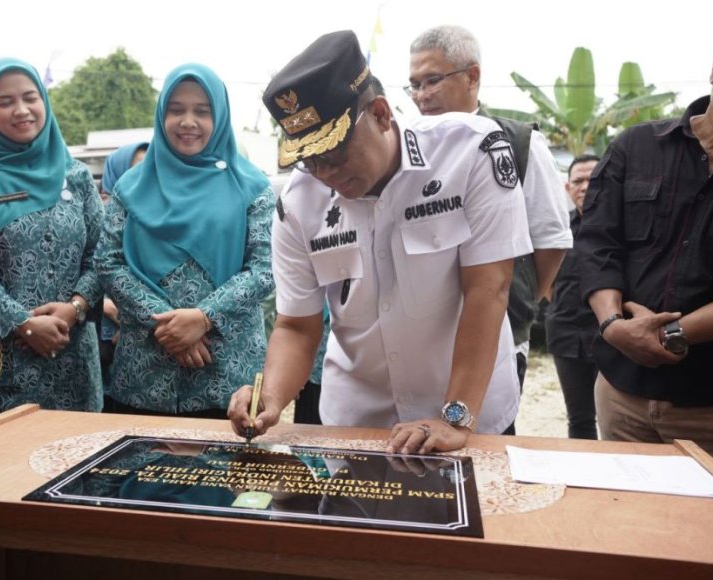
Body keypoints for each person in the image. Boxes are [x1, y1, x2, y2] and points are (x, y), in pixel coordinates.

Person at [228, 30, 532, 454]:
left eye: (334, 154)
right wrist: (272, 397)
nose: (325, 174)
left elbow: (488, 289)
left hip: (469, 417)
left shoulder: (471, 153)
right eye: (309, 160)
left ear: (381, 114)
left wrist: (456, 417)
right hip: (358, 424)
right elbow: (297, 325)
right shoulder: (298, 202)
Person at [96, 63, 274, 418]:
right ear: (162, 114)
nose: (188, 121)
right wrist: (167, 326)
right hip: (145, 377)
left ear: (219, 117)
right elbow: (108, 262)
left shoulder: (252, 187)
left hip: (226, 378)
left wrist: (204, 318)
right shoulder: (130, 187)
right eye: (176, 110)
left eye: (202, 112)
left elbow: (265, 269)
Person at [576, 43, 713, 463]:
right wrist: (612, 324)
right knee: (623, 500)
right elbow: (597, 241)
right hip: (621, 394)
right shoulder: (636, 146)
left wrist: (669, 334)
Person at [408, 25, 572, 398]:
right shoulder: (406, 145)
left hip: (499, 336)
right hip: (420, 337)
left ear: (473, 76)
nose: (421, 96)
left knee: (481, 429)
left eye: (432, 81)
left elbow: (551, 240)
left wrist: (516, 302)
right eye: (414, 85)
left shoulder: (518, 143)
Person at [0, 58, 104, 428]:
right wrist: (21, 322)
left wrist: (75, 308)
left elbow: (102, 255)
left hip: (72, 364)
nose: (21, 110)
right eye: (5, 102)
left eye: (30, 98)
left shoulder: (75, 174)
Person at [545, 155, 600, 439]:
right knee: (579, 419)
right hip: (566, 335)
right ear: (567, 188)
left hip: (610, 338)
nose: (585, 186)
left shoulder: (625, 230)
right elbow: (546, 282)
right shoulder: (559, 231)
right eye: (578, 181)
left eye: (593, 179)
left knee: (618, 418)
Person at [97, 142, 148, 385]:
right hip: (101, 337)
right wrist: (105, 306)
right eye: (136, 168)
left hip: (146, 335)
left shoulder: (163, 216)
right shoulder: (100, 215)